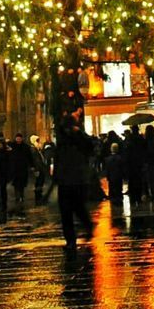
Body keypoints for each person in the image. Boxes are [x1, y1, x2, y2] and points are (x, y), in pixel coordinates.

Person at [53, 105, 94, 252]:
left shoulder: (78, 140)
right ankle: (71, 239)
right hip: (69, 180)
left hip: (75, 179)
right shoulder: (63, 143)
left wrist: (79, 134)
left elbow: (90, 147)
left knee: (75, 208)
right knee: (68, 211)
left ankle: (77, 234)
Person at [9, 132, 33, 206]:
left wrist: (32, 165)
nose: (18, 139)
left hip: (23, 167)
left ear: (21, 139)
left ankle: (21, 195)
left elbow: (30, 157)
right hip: (15, 168)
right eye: (17, 138)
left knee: (22, 183)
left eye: (19, 138)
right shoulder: (12, 146)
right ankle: (17, 196)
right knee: (16, 183)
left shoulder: (26, 147)